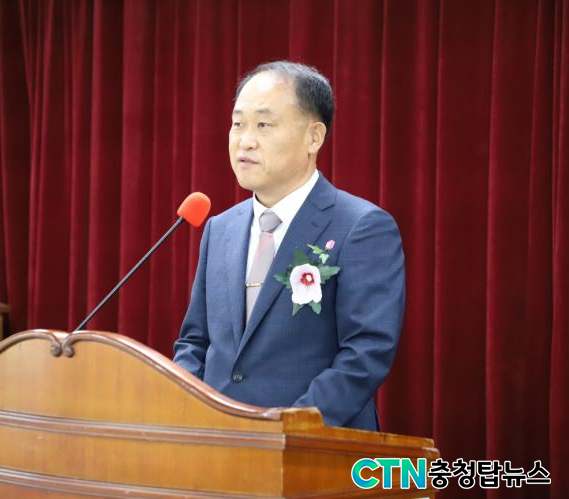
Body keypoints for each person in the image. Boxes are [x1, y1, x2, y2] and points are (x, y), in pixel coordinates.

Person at [173, 61, 404, 431]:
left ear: (314, 137)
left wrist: (288, 426)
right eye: (238, 124)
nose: (245, 140)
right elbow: (194, 342)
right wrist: (185, 413)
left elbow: (366, 353)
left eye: (264, 125)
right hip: (218, 444)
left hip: (312, 446)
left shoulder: (361, 227)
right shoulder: (220, 229)